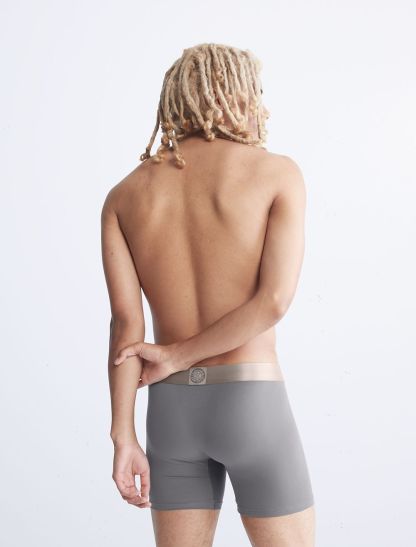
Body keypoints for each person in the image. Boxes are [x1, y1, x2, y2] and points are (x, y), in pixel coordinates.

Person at [101, 42, 315, 547]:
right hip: (251, 401)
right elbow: (273, 301)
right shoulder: (275, 172)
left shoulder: (125, 195)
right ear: (235, 93)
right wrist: (177, 355)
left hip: (171, 413)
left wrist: (123, 434)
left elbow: (126, 326)